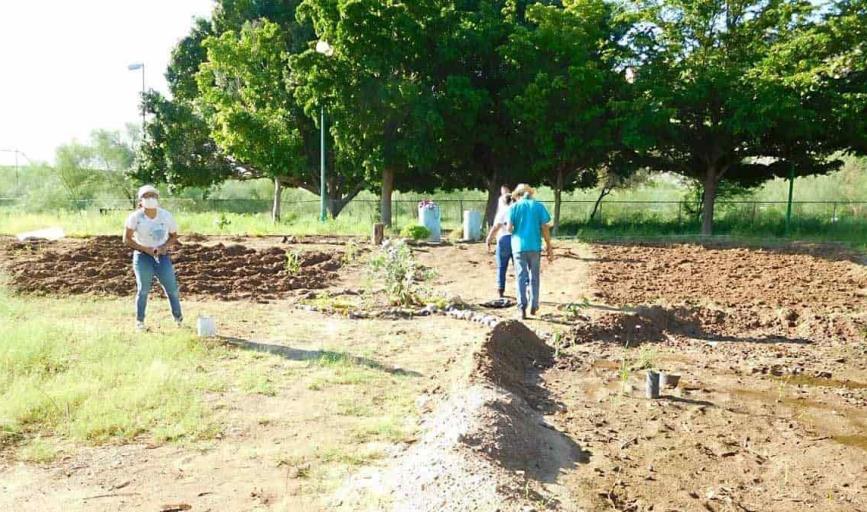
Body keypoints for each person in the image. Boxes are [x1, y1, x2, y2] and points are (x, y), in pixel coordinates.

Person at [123, 185, 183, 331]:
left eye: (153, 196)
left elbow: (174, 236)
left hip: (162, 256)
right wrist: (145, 249)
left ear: (158, 199)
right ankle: (140, 322)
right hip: (143, 256)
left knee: (171, 288)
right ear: (140, 200)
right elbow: (126, 239)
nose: (150, 199)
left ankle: (178, 319)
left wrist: (164, 247)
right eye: (146, 196)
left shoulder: (165, 216)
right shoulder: (135, 217)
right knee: (143, 289)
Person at [508, 183, 554, 319]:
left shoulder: (514, 207)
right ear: (531, 193)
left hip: (518, 247)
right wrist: (549, 245)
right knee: (534, 277)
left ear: (517, 194)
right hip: (534, 246)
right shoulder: (538, 206)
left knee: (521, 277)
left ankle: (522, 307)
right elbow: (545, 228)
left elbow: (509, 228)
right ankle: (534, 304)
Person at [486, 186, 514, 298]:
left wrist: (489, 238)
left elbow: (496, 226)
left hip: (504, 239)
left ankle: (500, 289)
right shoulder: (516, 210)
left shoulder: (503, 211)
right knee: (519, 266)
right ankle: (524, 289)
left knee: (502, 266)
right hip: (516, 239)